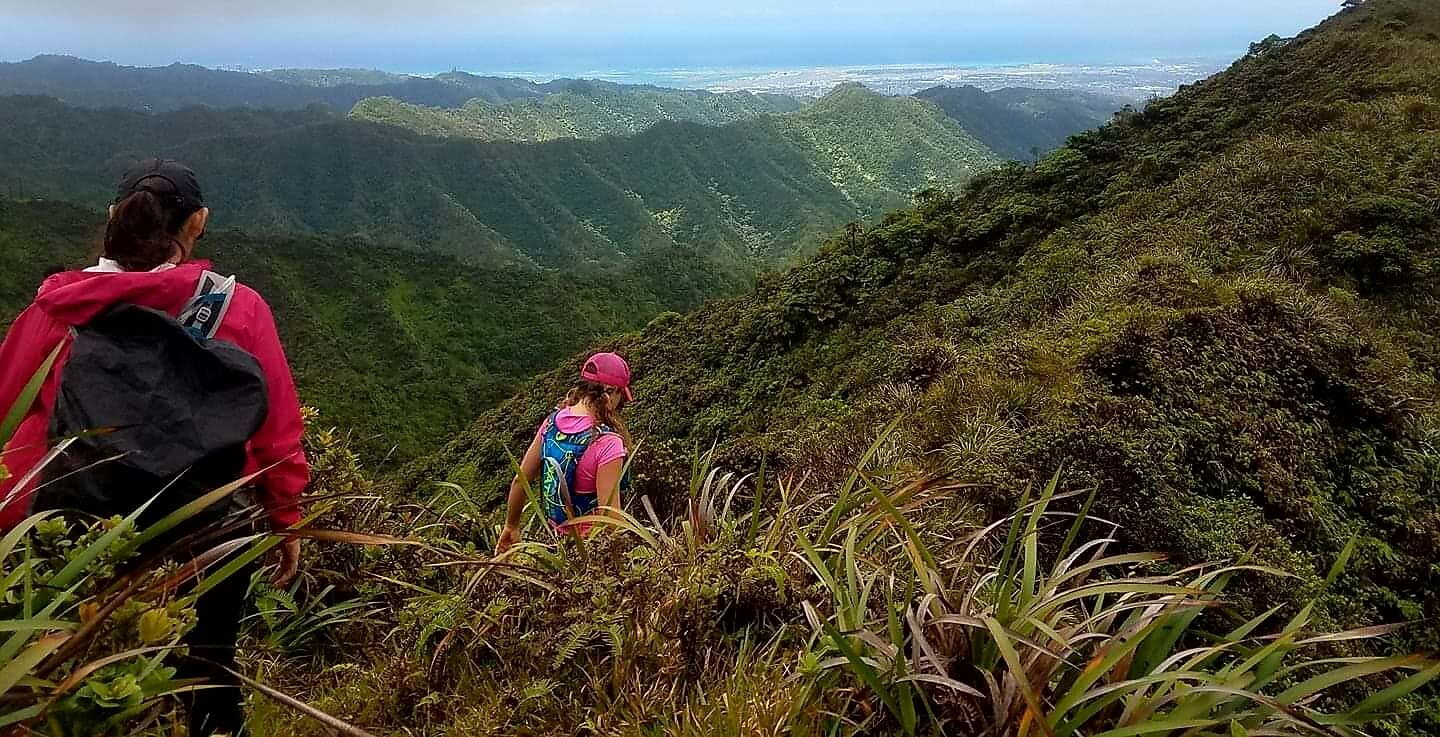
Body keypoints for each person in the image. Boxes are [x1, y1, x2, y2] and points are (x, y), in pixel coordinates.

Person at [0, 159, 309, 736]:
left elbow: (5, 409)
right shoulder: (238, 310)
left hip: (64, 523)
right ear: (199, 223)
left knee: (48, 674)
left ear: (114, 217)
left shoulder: (58, 310)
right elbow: (277, 433)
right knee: (208, 667)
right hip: (203, 531)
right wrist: (285, 520)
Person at [496, 352, 634, 554]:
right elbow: (610, 518)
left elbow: (520, 480)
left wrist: (511, 526)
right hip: (588, 551)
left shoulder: (552, 423)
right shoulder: (608, 442)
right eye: (620, 395)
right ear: (611, 392)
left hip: (553, 542)